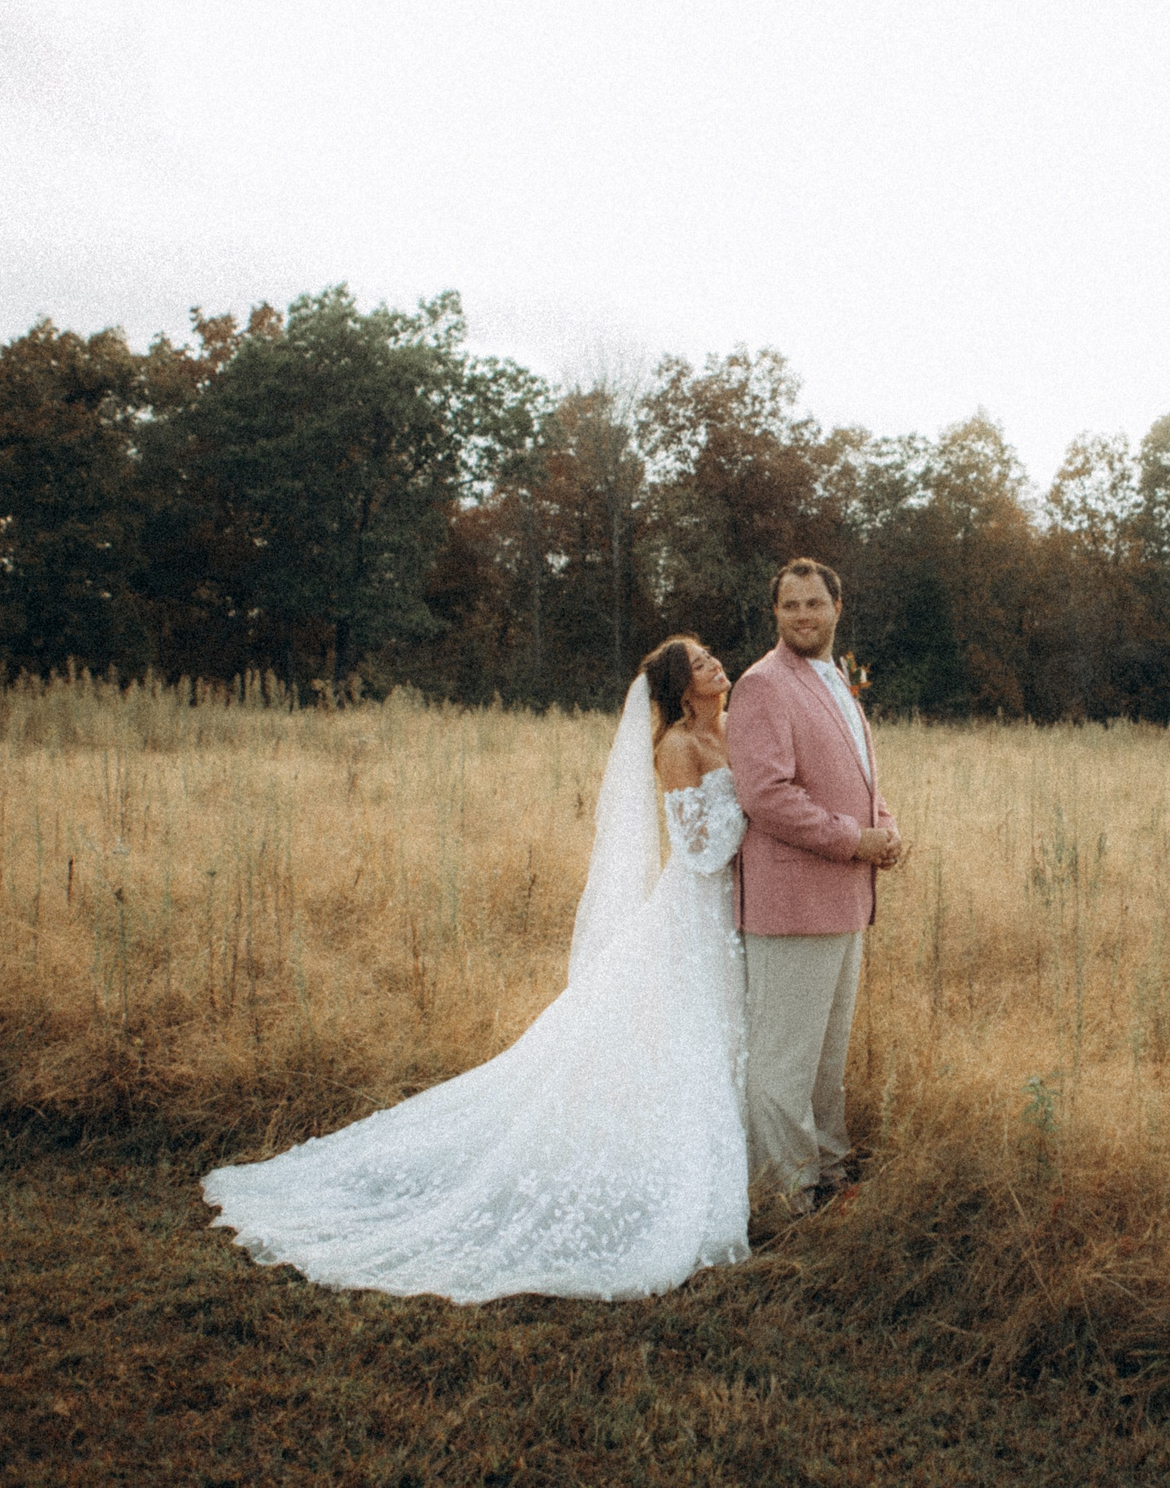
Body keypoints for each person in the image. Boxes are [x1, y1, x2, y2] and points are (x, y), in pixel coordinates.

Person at [200, 637, 750, 1303]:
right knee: (681, 1037)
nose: (715, 664)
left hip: (727, 918)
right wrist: (759, 808)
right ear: (681, 687)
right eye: (698, 663)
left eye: (710, 655)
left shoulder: (727, 732)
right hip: (692, 915)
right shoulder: (677, 749)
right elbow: (700, 848)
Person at [726, 558, 904, 1214]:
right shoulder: (761, 686)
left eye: (813, 604)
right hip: (788, 904)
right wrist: (854, 839)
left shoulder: (837, 678)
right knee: (782, 1062)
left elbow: (862, 779)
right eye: (789, 605)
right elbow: (765, 795)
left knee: (826, 1061)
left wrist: (885, 826)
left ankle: (829, 1173)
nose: (802, 615)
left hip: (845, 901)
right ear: (775, 614)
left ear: (837, 607)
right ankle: (785, 1196)